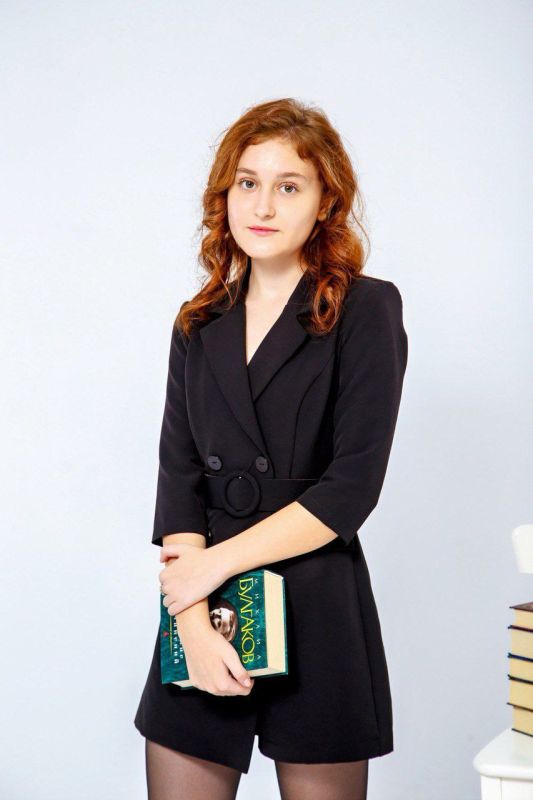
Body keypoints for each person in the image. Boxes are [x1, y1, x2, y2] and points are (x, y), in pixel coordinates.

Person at [134, 97, 408, 800]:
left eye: (289, 186)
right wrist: (192, 624)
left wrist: (208, 569)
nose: (262, 205)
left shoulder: (365, 309)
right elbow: (178, 483)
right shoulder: (198, 323)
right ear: (224, 196)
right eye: (247, 183)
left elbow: (350, 490)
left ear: (325, 203)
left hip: (316, 604)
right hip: (207, 608)